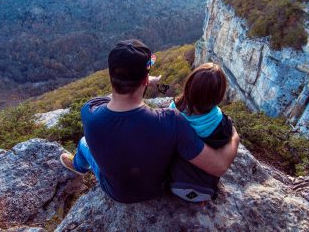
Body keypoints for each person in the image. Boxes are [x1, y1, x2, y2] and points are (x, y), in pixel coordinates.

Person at [60, 39, 240, 203]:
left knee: (84, 142)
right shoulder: (171, 122)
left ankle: (78, 166)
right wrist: (234, 138)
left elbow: (112, 101)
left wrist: (140, 82)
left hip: (115, 192)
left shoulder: (89, 111)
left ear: (110, 76)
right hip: (155, 190)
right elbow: (219, 166)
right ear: (145, 80)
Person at [169, 63, 233, 202]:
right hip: (204, 189)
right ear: (219, 96)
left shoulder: (172, 112)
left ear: (188, 87)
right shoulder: (221, 122)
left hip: (172, 181)